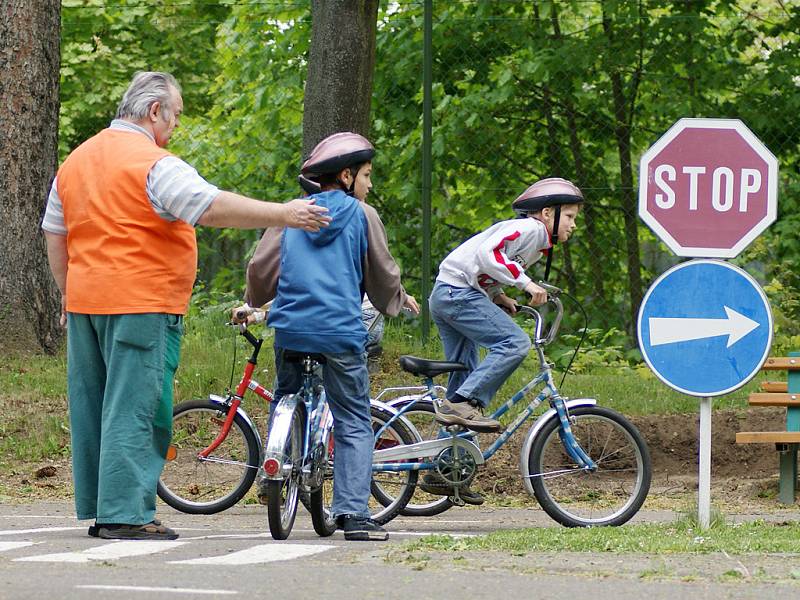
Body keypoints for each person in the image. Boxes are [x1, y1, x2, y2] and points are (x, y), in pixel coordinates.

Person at [41, 71, 331, 541]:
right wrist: (284, 213)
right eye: (174, 114)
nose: (175, 125)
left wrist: (67, 294)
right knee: (135, 407)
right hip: (142, 303)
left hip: (86, 304)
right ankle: (126, 515)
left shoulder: (75, 162)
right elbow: (210, 206)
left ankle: (102, 507)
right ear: (154, 111)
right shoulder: (153, 163)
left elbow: (55, 234)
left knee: (94, 406)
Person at [242, 132, 419, 541]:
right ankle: (353, 515)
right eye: (368, 175)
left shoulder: (291, 214)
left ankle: (280, 462)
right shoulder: (362, 215)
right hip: (340, 332)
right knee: (353, 417)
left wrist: (255, 300)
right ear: (346, 175)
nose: (370, 184)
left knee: (286, 395)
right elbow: (383, 274)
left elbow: (260, 271)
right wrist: (391, 301)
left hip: (290, 328)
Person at [424, 177, 584, 503]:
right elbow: (488, 253)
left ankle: (446, 470)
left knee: (464, 375)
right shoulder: (530, 230)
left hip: (448, 293)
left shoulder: (536, 242)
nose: (573, 225)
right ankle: (465, 403)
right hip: (457, 293)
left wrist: (497, 295)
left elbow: (486, 267)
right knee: (514, 343)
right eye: (569, 216)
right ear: (547, 213)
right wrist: (525, 284)